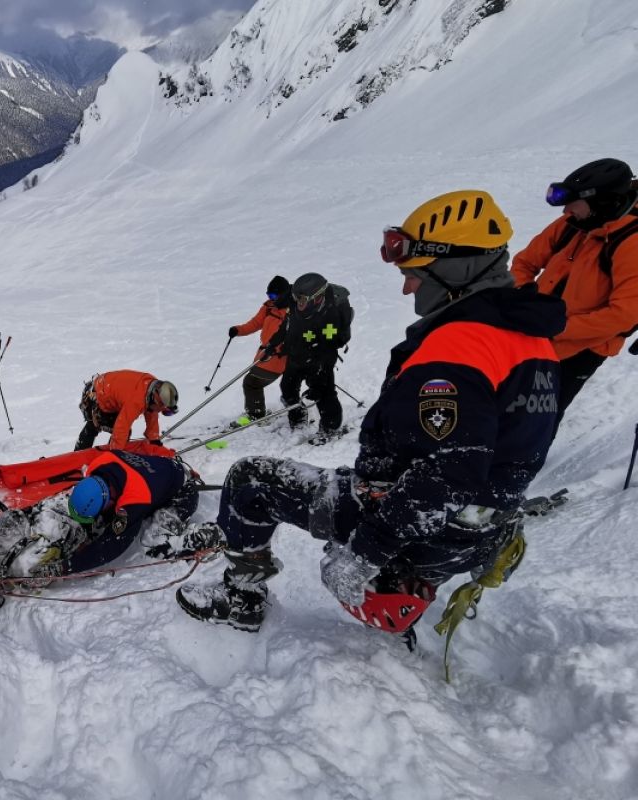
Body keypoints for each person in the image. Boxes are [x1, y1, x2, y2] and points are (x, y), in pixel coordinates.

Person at [176, 190, 564, 639]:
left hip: (429, 527)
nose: (407, 287)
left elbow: (449, 473)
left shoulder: (459, 349)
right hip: (478, 531)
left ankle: (240, 599)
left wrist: (365, 552)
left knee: (251, 480)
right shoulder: (533, 343)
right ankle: (404, 587)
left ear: (454, 269)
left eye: (414, 275)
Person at [510, 157, 638, 427]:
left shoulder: (631, 243)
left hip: (582, 348)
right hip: (534, 334)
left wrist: (554, 326)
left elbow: (623, 316)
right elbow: (524, 263)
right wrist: (523, 301)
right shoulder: (574, 223)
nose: (565, 210)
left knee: (538, 419)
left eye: (574, 203)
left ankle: (522, 464)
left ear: (602, 202)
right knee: (509, 404)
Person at [6, 449, 210, 578]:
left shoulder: (134, 498)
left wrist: (67, 567)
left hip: (182, 491)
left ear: (111, 501)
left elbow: (112, 546)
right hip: (158, 471)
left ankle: (196, 540)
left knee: (154, 542)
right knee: (101, 522)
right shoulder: (99, 464)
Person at [264, 273, 353, 444]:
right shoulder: (296, 303)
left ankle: (330, 429)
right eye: (296, 298)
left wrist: (319, 379)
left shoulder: (330, 315)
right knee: (287, 387)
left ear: (317, 298)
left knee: (324, 393)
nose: (299, 303)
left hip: (319, 355)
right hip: (297, 351)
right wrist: (272, 345)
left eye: (303, 299)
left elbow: (328, 349)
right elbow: (286, 326)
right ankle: (298, 417)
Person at [228, 275, 291, 424]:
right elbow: (255, 323)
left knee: (252, 382)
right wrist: (238, 330)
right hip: (266, 353)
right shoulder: (269, 307)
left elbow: (291, 336)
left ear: (284, 293)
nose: (271, 298)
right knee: (255, 382)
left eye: (274, 295)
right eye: (269, 295)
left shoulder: (292, 311)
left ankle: (256, 415)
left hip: (279, 356)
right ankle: (257, 412)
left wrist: (275, 350)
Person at [74, 371, 178, 451]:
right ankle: (81, 456)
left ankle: (87, 452)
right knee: (103, 428)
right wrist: (116, 453)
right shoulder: (136, 400)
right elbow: (122, 427)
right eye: (164, 411)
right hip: (98, 397)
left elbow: (151, 412)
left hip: (106, 388)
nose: (161, 412)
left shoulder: (152, 387)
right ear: (156, 400)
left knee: (115, 431)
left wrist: (153, 439)